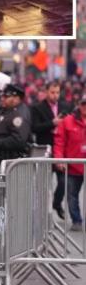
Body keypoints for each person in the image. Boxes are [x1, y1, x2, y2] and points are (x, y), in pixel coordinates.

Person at [31, 81, 72, 219]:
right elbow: (35, 127)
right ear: (46, 92)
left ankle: (56, 203)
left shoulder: (65, 106)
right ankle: (43, 213)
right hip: (46, 148)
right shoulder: (37, 108)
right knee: (44, 183)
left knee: (63, 181)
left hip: (61, 149)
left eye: (57, 92)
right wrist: (52, 123)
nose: (55, 95)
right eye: (52, 92)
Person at [53, 95, 86, 231]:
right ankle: (76, 219)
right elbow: (59, 142)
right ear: (79, 104)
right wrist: (59, 158)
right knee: (72, 195)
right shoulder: (67, 121)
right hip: (72, 166)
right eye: (84, 104)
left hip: (82, 165)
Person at [0, 84, 32, 170]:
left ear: (17, 98)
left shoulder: (19, 114)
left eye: (6, 97)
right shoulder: (9, 110)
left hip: (10, 162)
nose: (2, 99)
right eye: (3, 96)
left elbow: (18, 140)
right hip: (0, 160)